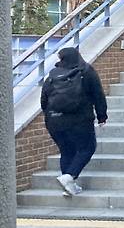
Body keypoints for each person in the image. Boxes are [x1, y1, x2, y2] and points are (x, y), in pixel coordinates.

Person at [40, 47, 107, 196]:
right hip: (79, 119)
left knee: (66, 151)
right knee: (87, 148)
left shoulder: (52, 76)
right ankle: (69, 177)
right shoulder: (86, 71)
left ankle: (68, 186)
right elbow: (98, 95)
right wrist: (102, 116)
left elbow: (44, 100)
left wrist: (52, 115)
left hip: (54, 121)